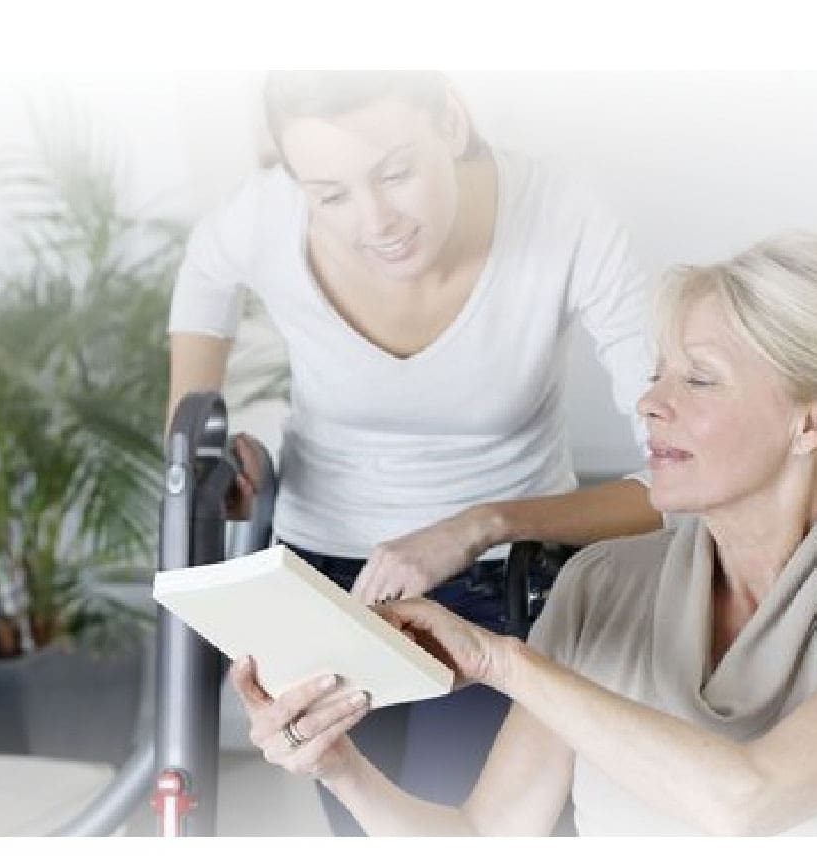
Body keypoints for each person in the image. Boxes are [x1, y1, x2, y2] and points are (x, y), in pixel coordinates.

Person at [234, 232, 817, 835]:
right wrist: (338, 767)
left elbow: (748, 802)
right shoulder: (601, 585)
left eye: (698, 378)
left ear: (815, 419)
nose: (650, 403)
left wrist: (504, 660)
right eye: (658, 373)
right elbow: (486, 833)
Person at [166, 71, 665, 833]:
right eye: (330, 195)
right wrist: (203, 449)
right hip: (322, 585)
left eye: (396, 173)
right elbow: (205, 275)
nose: (377, 222)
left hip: (504, 585)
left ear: (452, 122)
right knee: (363, 823)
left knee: (472, 824)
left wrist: (484, 522)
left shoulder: (563, 217)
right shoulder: (264, 216)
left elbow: (680, 474)